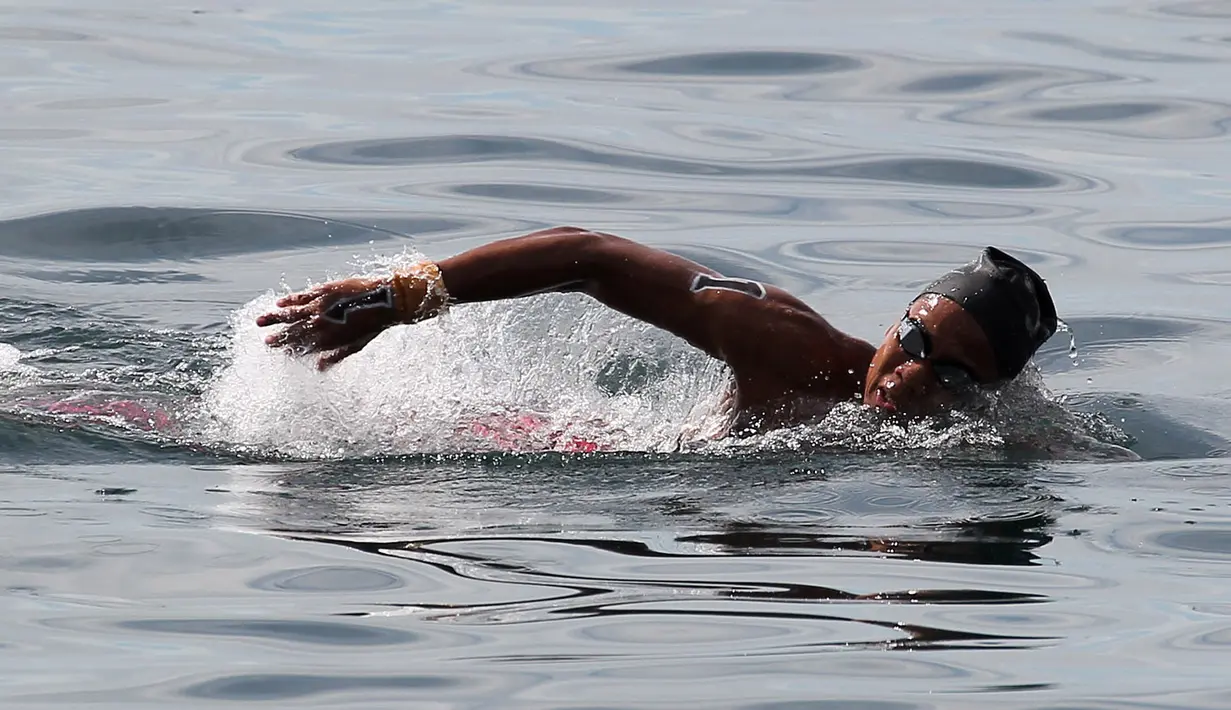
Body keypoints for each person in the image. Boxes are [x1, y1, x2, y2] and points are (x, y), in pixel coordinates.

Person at [256, 226, 1057, 432]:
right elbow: (589, 256)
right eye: (911, 340)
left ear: (993, 392)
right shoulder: (784, 343)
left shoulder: (1010, 444)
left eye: (950, 373)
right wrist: (401, 297)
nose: (906, 374)